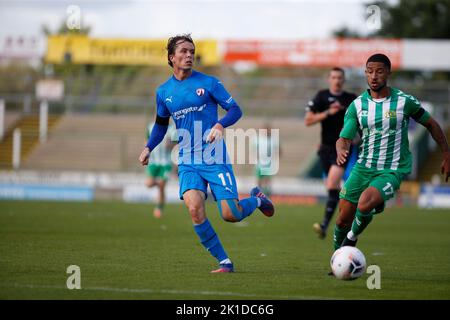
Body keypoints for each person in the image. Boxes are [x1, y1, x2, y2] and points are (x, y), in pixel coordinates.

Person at [138, 34, 275, 273]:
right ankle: (225, 262)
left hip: (214, 158)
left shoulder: (210, 83)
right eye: (184, 51)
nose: (189, 55)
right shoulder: (163, 92)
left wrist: (220, 125)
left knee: (231, 215)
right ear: (172, 58)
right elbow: (161, 124)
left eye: (192, 51)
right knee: (194, 209)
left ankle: (257, 199)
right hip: (187, 160)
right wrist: (149, 147)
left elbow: (235, 109)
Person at [333, 53, 450, 253]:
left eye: (379, 71)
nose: (374, 76)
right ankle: (337, 258)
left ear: (388, 73)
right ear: (365, 74)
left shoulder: (405, 102)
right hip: (363, 167)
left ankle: (351, 241)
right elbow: (344, 137)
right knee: (343, 218)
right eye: (370, 72)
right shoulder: (358, 105)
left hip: (392, 169)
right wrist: (342, 147)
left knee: (363, 204)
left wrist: (447, 153)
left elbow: (431, 124)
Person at [304, 67, 357, 239]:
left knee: (332, 183)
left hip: (342, 147)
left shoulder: (351, 99)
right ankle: (348, 211)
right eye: (334, 77)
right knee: (333, 189)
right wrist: (328, 112)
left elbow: (361, 120)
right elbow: (308, 120)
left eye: (340, 77)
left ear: (344, 80)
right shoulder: (321, 96)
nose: (337, 80)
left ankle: (325, 225)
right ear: (329, 79)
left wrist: (355, 137)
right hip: (325, 148)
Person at [144, 122, 177, 218]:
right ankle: (159, 185)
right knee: (148, 184)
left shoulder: (171, 128)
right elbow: (146, 141)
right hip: (154, 161)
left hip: (166, 162)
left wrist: (170, 145)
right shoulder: (150, 126)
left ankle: (159, 208)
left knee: (162, 186)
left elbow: (175, 144)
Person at [252, 122, 280, 197]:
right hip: (259, 163)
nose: (267, 131)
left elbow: (278, 150)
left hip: (269, 163)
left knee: (267, 179)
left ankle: (267, 194)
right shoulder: (258, 139)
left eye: (268, 129)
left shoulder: (273, 140)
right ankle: (259, 194)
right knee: (259, 179)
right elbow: (255, 150)